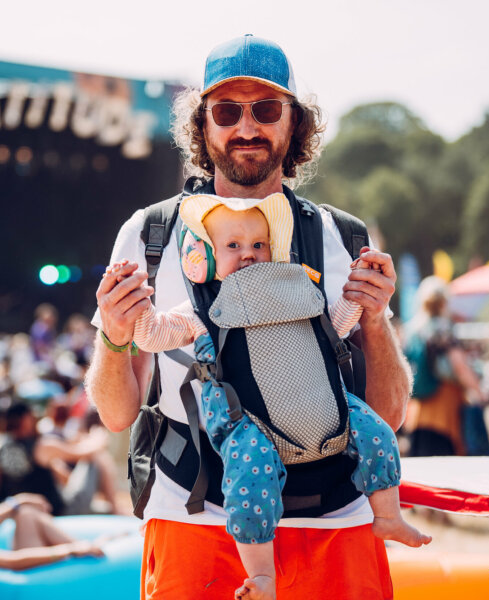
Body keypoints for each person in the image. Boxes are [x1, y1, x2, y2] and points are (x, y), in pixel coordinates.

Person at [86, 35, 409, 599]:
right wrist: (115, 338)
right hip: (193, 516)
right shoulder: (149, 235)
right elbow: (117, 416)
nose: (246, 127)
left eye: (265, 109)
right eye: (227, 111)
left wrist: (376, 324)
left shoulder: (344, 238)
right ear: (203, 125)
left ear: (293, 122)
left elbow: (388, 413)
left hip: (334, 521)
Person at [120, 193, 428, 599]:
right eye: (233, 246)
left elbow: (334, 323)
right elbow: (154, 336)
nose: (247, 255)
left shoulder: (297, 287)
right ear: (207, 256)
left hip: (322, 405)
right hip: (247, 422)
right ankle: (262, 574)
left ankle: (387, 514)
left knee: (377, 433)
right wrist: (135, 310)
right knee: (250, 475)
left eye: (258, 245)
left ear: (276, 249)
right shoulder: (199, 308)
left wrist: (359, 298)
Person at [0, 402, 125, 517]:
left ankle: (112, 508)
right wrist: (97, 438)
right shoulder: (42, 446)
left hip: (20, 512)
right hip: (56, 512)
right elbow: (85, 453)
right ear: (26, 420)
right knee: (98, 456)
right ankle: (115, 508)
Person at [402, 276, 483, 458]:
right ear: (444, 301)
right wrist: (478, 391)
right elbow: (459, 366)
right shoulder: (443, 329)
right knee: (444, 462)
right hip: (444, 406)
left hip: (417, 408)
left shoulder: (413, 329)